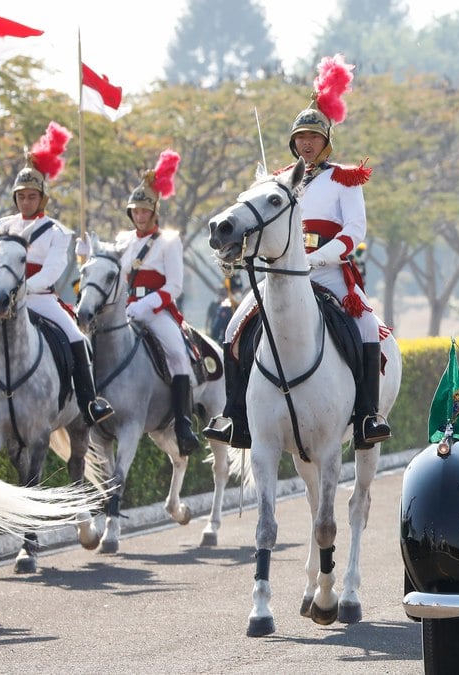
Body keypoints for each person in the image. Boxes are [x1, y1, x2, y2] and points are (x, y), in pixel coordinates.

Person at [204, 54, 390, 450]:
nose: (306, 144)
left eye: (314, 138)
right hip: (281, 277)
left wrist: (319, 259)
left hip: (327, 273)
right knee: (235, 327)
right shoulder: (274, 184)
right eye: (300, 138)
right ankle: (235, 415)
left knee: (368, 328)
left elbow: (355, 231)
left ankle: (366, 416)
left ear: (326, 141)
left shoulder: (345, 178)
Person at [0, 122, 113, 437]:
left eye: (32, 196)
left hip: (41, 299)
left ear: (42, 198)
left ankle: (88, 402)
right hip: (3, 300)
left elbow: (52, 271)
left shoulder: (55, 230)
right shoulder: (1, 227)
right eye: (21, 196)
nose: (26, 201)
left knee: (77, 339)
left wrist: (21, 291)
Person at [112, 149, 199, 455]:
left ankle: (183, 423)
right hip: (122, 310)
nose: (139, 215)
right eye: (135, 211)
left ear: (154, 212)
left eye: (144, 211)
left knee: (178, 355)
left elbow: (174, 285)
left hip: (156, 310)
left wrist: (144, 306)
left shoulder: (168, 241)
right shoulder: (122, 241)